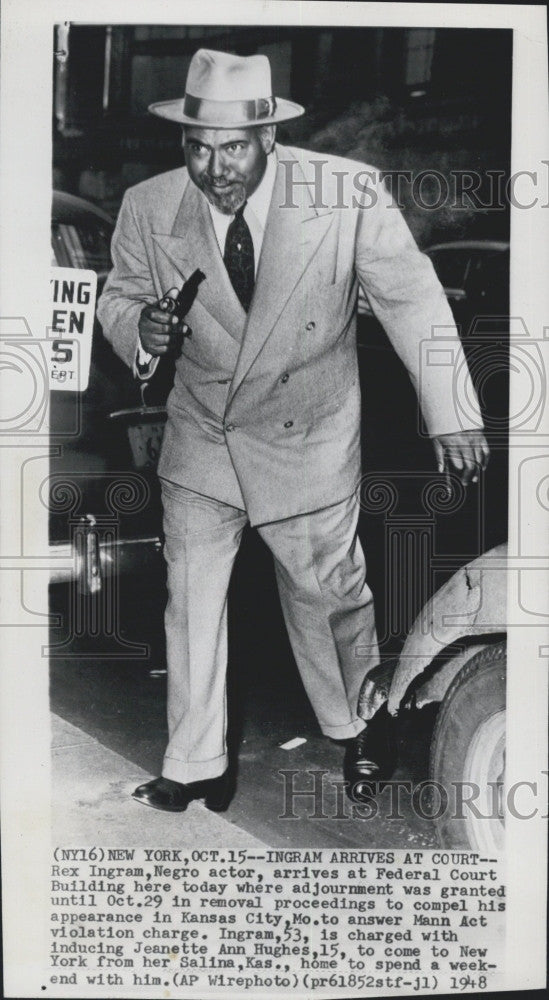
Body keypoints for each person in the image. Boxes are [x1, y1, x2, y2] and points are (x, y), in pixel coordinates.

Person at [97, 48, 488, 813]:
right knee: (192, 600)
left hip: (307, 431)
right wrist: (138, 328)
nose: (214, 169)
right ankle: (194, 759)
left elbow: (410, 298)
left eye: (233, 148)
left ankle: (357, 725)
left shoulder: (343, 193)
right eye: (198, 148)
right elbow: (120, 297)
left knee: (327, 598)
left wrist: (451, 414)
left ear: (269, 137)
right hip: (203, 435)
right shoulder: (150, 206)